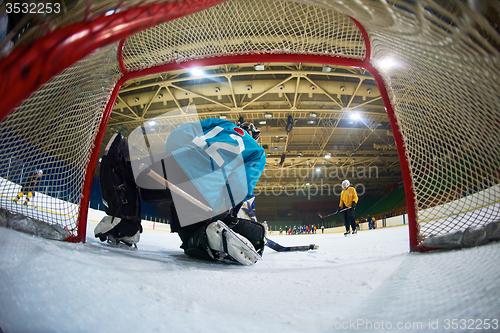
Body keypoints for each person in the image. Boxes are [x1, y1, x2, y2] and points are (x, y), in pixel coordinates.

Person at [95, 118, 267, 265]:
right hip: (206, 195)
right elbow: (240, 186)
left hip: (176, 167)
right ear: (254, 136)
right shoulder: (257, 152)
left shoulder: (220, 123)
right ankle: (207, 237)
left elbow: (180, 133)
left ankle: (126, 228)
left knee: (128, 174)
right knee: (192, 239)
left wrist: (175, 157)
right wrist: (224, 210)